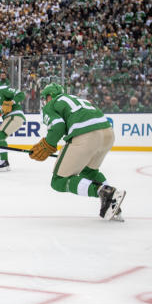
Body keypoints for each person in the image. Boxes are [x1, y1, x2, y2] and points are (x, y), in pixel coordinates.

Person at [30, 83, 125, 220]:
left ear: (49, 97)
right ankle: (112, 203)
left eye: (45, 98)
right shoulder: (78, 99)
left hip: (86, 134)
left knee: (58, 181)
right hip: (107, 133)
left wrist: (47, 145)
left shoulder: (51, 104)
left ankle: (103, 192)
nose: (45, 101)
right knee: (89, 172)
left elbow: (57, 126)